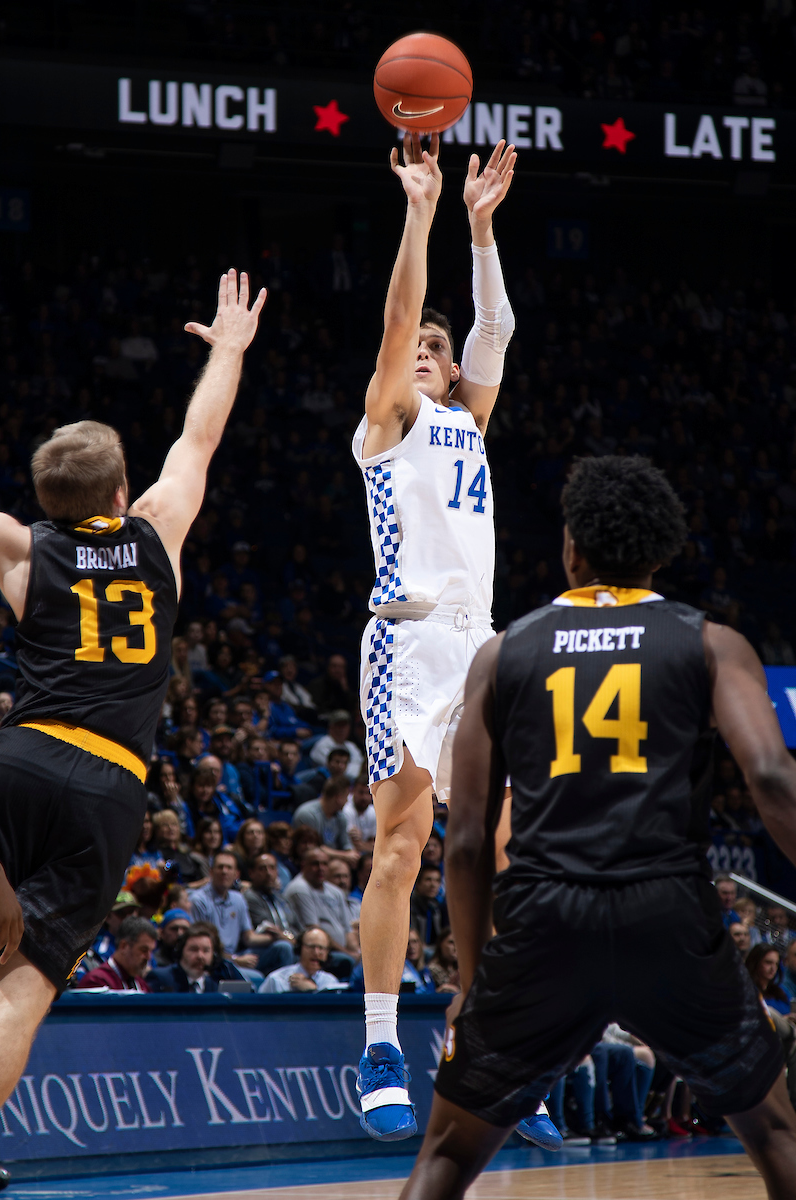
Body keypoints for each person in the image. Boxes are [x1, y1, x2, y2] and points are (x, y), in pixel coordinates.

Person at [400, 454, 796, 1200]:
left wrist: (474, 981)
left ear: (572, 549)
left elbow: (468, 839)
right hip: (667, 915)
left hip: (544, 921)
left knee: (445, 1158)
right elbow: (774, 781)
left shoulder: (502, 654)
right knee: (777, 1136)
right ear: (659, 554)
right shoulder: (710, 642)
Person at [0, 267, 265, 1141]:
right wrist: (228, 348)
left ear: (46, 502)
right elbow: (200, 435)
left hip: (16, 759)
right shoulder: (157, 530)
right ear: (120, 494)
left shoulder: (24, 552)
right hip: (103, 786)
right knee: (21, 992)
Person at [351, 132, 519, 1142]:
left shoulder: (468, 419)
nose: (420, 351)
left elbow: (496, 325)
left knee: (493, 855)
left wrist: (479, 227)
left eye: (435, 350)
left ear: (453, 372)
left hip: (479, 650)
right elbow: (397, 319)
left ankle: (490, 1041)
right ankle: (379, 1046)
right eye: (411, 346)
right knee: (402, 846)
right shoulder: (385, 419)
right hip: (405, 644)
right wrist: (419, 214)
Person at [189, 849, 281, 970]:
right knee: (256, 977)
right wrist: (235, 960)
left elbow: (249, 938)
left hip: (237, 955)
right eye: (220, 867)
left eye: (229, 868)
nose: (224, 871)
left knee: (283, 947)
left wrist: (277, 936)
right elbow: (202, 946)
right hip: (213, 960)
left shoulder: (238, 899)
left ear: (236, 874)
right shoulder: (199, 900)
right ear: (211, 872)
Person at [283, 848, 358, 974]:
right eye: (315, 864)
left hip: (340, 949)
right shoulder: (300, 889)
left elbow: (347, 930)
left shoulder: (336, 892)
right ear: (303, 866)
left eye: (324, 864)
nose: (321, 868)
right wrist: (349, 954)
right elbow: (315, 930)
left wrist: (356, 952)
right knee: (346, 960)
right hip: (317, 950)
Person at [77, 916, 157, 992]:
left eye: (151, 951)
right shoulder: (97, 982)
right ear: (124, 946)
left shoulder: (142, 985)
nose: (148, 957)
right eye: (144, 950)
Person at [292, 778, 359, 868]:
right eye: (346, 797)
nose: (347, 801)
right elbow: (312, 848)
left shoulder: (341, 817)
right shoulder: (308, 814)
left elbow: (346, 844)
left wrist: (352, 854)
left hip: (335, 862)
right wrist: (344, 856)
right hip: (312, 864)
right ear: (339, 797)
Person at [260, 926, 340, 994]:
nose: (316, 953)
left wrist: (313, 990)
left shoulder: (331, 983)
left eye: (321, 948)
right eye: (311, 947)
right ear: (299, 949)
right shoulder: (276, 980)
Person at [148, 922, 221, 993]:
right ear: (180, 951)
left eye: (206, 951)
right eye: (193, 949)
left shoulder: (216, 986)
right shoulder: (161, 979)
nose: (200, 956)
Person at [309, 711, 363, 780]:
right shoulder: (322, 745)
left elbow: (361, 765)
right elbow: (337, 769)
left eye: (344, 725)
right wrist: (357, 770)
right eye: (339, 725)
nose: (342, 729)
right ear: (331, 727)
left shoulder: (351, 746)